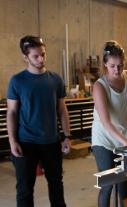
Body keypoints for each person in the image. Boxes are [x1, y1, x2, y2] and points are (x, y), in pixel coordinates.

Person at [7, 35, 71, 207]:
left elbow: (62, 110)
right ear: (25, 57)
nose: (41, 59)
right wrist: (12, 141)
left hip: (51, 142)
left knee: (56, 184)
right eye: (36, 56)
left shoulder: (55, 80)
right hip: (26, 143)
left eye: (43, 54)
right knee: (25, 189)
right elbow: (12, 112)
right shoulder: (17, 81)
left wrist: (67, 136)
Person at [91, 40, 127, 207]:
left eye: (120, 65)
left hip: (125, 137)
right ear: (105, 63)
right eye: (112, 66)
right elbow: (106, 123)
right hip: (104, 140)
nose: (117, 70)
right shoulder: (100, 86)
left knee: (123, 184)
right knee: (107, 185)